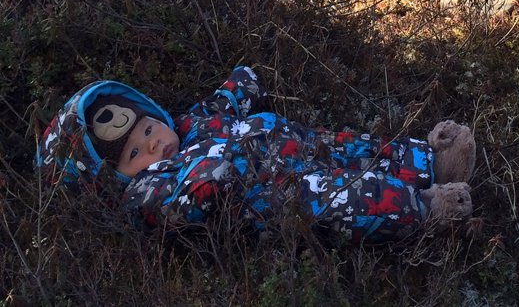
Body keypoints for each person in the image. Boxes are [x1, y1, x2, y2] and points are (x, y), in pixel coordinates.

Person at [36, 65, 476, 241]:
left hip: (298, 145)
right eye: (135, 151)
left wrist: (239, 84)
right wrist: (214, 173)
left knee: (355, 149)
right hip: (275, 195)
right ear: (114, 176)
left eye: (148, 126)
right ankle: (423, 209)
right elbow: (186, 200)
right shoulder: (148, 192)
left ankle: (427, 161)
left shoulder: (187, 124)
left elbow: (218, 104)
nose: (152, 141)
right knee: (347, 199)